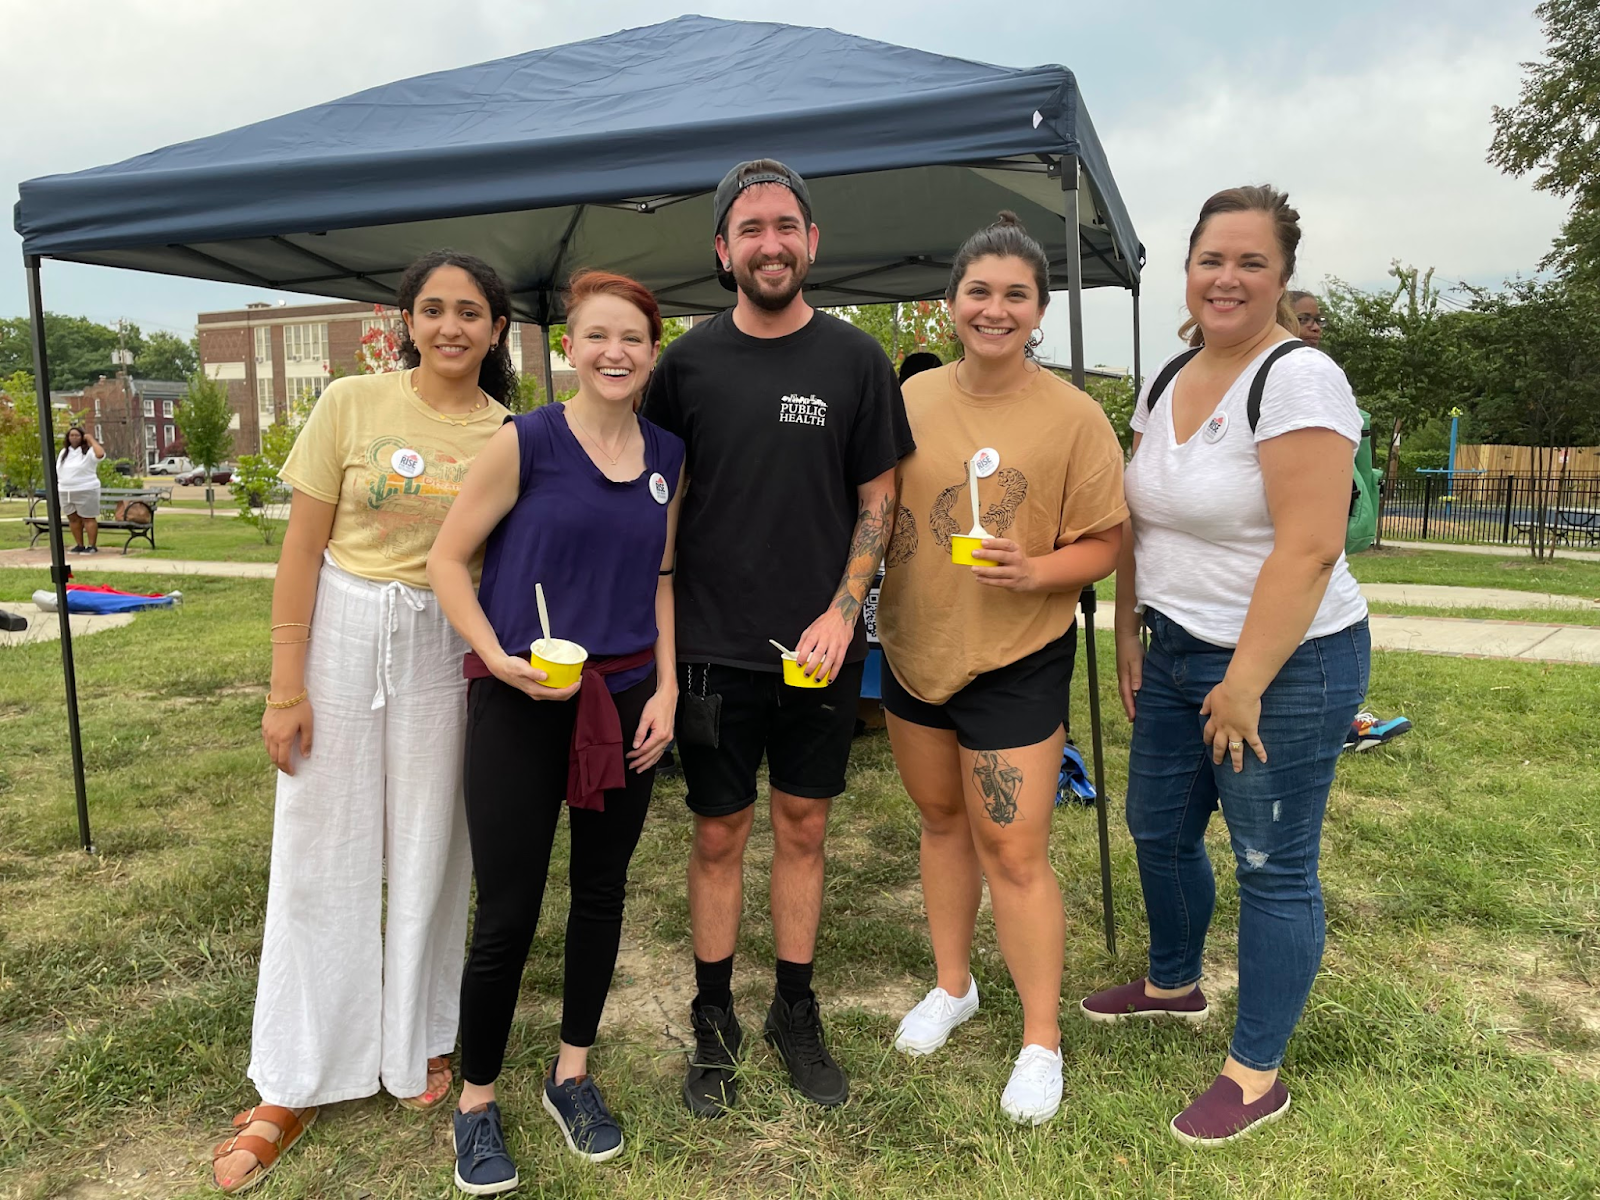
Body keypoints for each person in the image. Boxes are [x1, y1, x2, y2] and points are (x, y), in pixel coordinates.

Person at [210, 250, 514, 1193]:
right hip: (342, 628)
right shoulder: (348, 401)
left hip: (445, 640)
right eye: (434, 309)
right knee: (320, 847)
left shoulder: (516, 432)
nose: (452, 326)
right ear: (407, 321)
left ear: (498, 328)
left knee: (434, 843)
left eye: (470, 311)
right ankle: (295, 1074)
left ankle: (415, 1037)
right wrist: (284, 684)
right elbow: (301, 549)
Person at [1084, 186, 1370, 1146]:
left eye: (1251, 262)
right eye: (1213, 258)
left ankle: (1256, 1074)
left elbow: (1311, 548)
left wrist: (1243, 682)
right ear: (1189, 267)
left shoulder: (1297, 379)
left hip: (1286, 663)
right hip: (1173, 648)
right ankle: (1174, 981)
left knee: (1270, 863)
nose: (1228, 277)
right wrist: (1127, 628)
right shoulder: (1167, 374)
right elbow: (1137, 521)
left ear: (1282, 278)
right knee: (1156, 827)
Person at [641, 159, 914, 1116]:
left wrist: (846, 610)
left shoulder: (856, 361)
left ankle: (793, 1010)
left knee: (804, 826)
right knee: (719, 833)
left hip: (821, 652)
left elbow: (880, 498)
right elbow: (658, 501)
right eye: (750, 228)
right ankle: (713, 1018)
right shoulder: (685, 366)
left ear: (812, 242)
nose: (770, 242)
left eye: (785, 225)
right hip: (714, 649)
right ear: (722, 250)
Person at [427, 270, 684, 1190]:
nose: (616, 352)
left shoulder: (668, 457)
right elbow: (447, 559)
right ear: (568, 348)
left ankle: (572, 1073)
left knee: (602, 893)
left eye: (635, 339)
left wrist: (665, 691)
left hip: (624, 706)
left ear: (654, 355)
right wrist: (495, 657)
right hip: (521, 701)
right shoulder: (524, 441)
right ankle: (476, 1101)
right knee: (508, 911)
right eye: (598, 336)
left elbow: (660, 579)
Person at [874, 213, 1126, 1124]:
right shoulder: (905, 401)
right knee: (942, 823)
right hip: (913, 650)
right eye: (978, 291)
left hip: (1016, 656)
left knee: (1014, 852)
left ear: (1040, 311)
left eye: (1015, 294)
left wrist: (1037, 569)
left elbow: (1105, 541)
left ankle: (1041, 1037)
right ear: (950, 305)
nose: (994, 307)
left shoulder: (1074, 416)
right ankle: (954, 986)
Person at [1288, 292, 1411, 753]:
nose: (1315, 326)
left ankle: (1344, 722)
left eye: (1320, 319)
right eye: (1305, 317)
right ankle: (1342, 724)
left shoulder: (1323, 374)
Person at [56, 426, 105, 553]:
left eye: (77, 435)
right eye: (71, 435)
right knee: (73, 518)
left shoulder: (88, 452)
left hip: (86, 489)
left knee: (88, 517)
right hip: (65, 490)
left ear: (82, 437)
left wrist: (90, 439)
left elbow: (100, 454)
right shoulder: (64, 453)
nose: (74, 438)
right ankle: (79, 545)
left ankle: (91, 546)